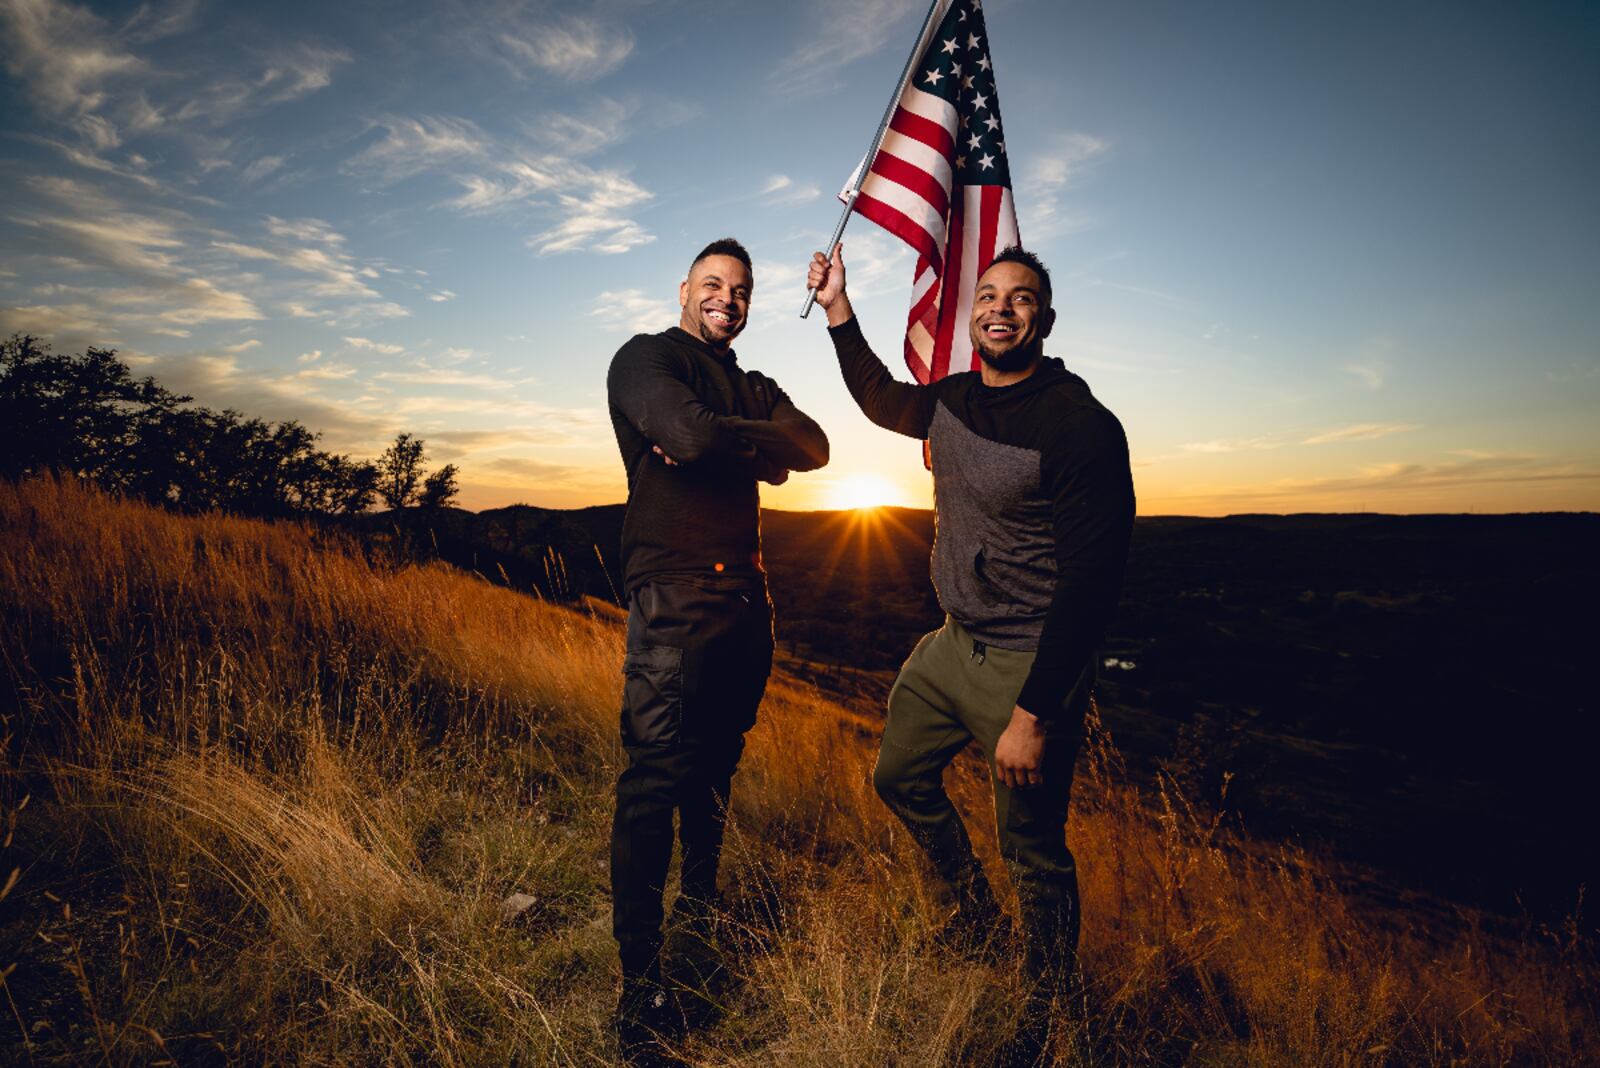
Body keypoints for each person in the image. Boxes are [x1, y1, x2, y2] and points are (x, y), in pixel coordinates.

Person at [806, 242, 1134, 1062]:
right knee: (896, 777)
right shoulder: (954, 399)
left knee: (1032, 850)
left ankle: (1048, 1010)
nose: (1000, 308)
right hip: (953, 642)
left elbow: (1092, 583)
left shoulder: (1081, 428)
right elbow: (883, 400)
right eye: (988, 295)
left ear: (1044, 320)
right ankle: (976, 919)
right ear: (973, 313)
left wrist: (1034, 712)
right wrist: (840, 312)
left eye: (1020, 298)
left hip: (1028, 662)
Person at [606, 238, 829, 1064]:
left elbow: (812, 446)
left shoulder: (754, 381)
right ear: (684, 290)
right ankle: (640, 988)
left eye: (739, 290)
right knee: (655, 776)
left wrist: (719, 431)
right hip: (673, 596)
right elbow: (687, 438)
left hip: (746, 602)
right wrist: (748, 443)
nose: (726, 299)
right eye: (712, 285)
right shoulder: (643, 358)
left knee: (716, 763)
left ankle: (699, 911)